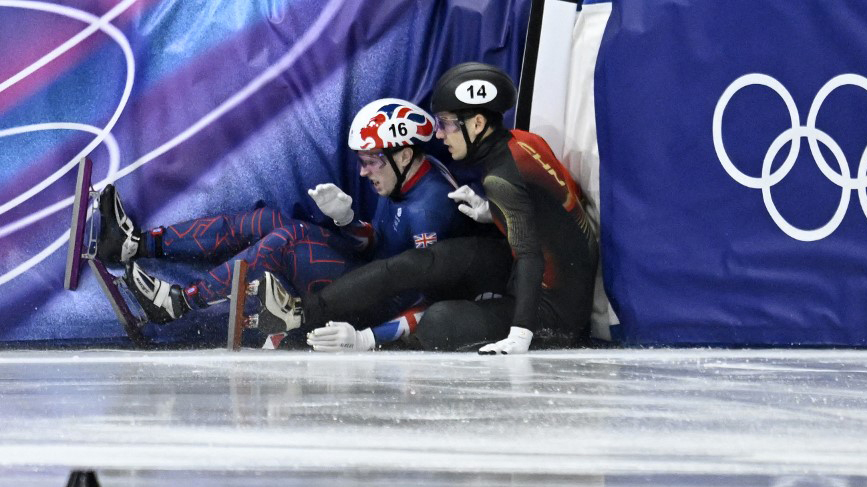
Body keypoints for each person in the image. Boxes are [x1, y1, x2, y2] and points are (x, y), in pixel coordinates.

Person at [269, 62, 598, 354]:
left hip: (552, 310)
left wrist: (521, 332)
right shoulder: (524, 142)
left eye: (446, 124)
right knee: (416, 263)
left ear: (478, 123)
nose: (438, 135)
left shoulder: (500, 179)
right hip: (538, 277)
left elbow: (531, 256)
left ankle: (312, 317)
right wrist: (491, 212)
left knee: (440, 319)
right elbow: (563, 208)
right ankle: (301, 312)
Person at [97, 98, 476, 346]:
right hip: (375, 273)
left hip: (376, 301)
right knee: (268, 220)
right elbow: (381, 245)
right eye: (361, 161)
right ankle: (136, 244)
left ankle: (180, 303)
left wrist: (367, 338)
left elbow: (431, 300)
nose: (363, 173)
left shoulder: (430, 209)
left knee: (289, 239)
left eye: (371, 161)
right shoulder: (407, 177)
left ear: (404, 153)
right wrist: (346, 221)